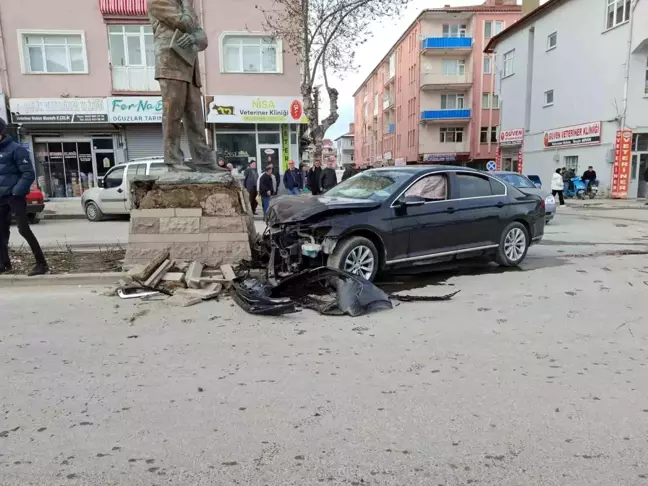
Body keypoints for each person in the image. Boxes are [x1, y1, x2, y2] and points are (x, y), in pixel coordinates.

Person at [0, 118, 48, 276]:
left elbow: (28, 173)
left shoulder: (16, 149)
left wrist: (16, 191)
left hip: (15, 197)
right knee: (1, 232)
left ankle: (41, 264)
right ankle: (4, 264)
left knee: (23, 229)